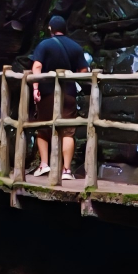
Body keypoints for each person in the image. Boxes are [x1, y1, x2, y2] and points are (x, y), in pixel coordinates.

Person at [28, 14, 93, 178]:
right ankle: (66, 170)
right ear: (65, 29)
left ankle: (44, 164)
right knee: (68, 131)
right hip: (68, 92)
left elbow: (37, 66)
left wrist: (35, 88)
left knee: (43, 128)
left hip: (47, 92)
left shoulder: (44, 45)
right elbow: (84, 70)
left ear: (50, 28)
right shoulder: (75, 47)